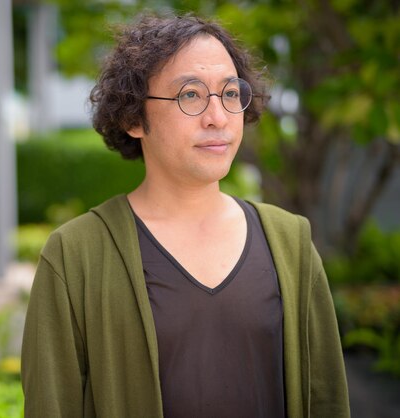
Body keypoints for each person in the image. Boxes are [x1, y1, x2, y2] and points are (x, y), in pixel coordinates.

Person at [21, 13, 350, 418]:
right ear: (133, 118)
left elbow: (327, 399)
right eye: (191, 95)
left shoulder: (290, 242)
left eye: (231, 93)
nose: (218, 116)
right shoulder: (76, 256)